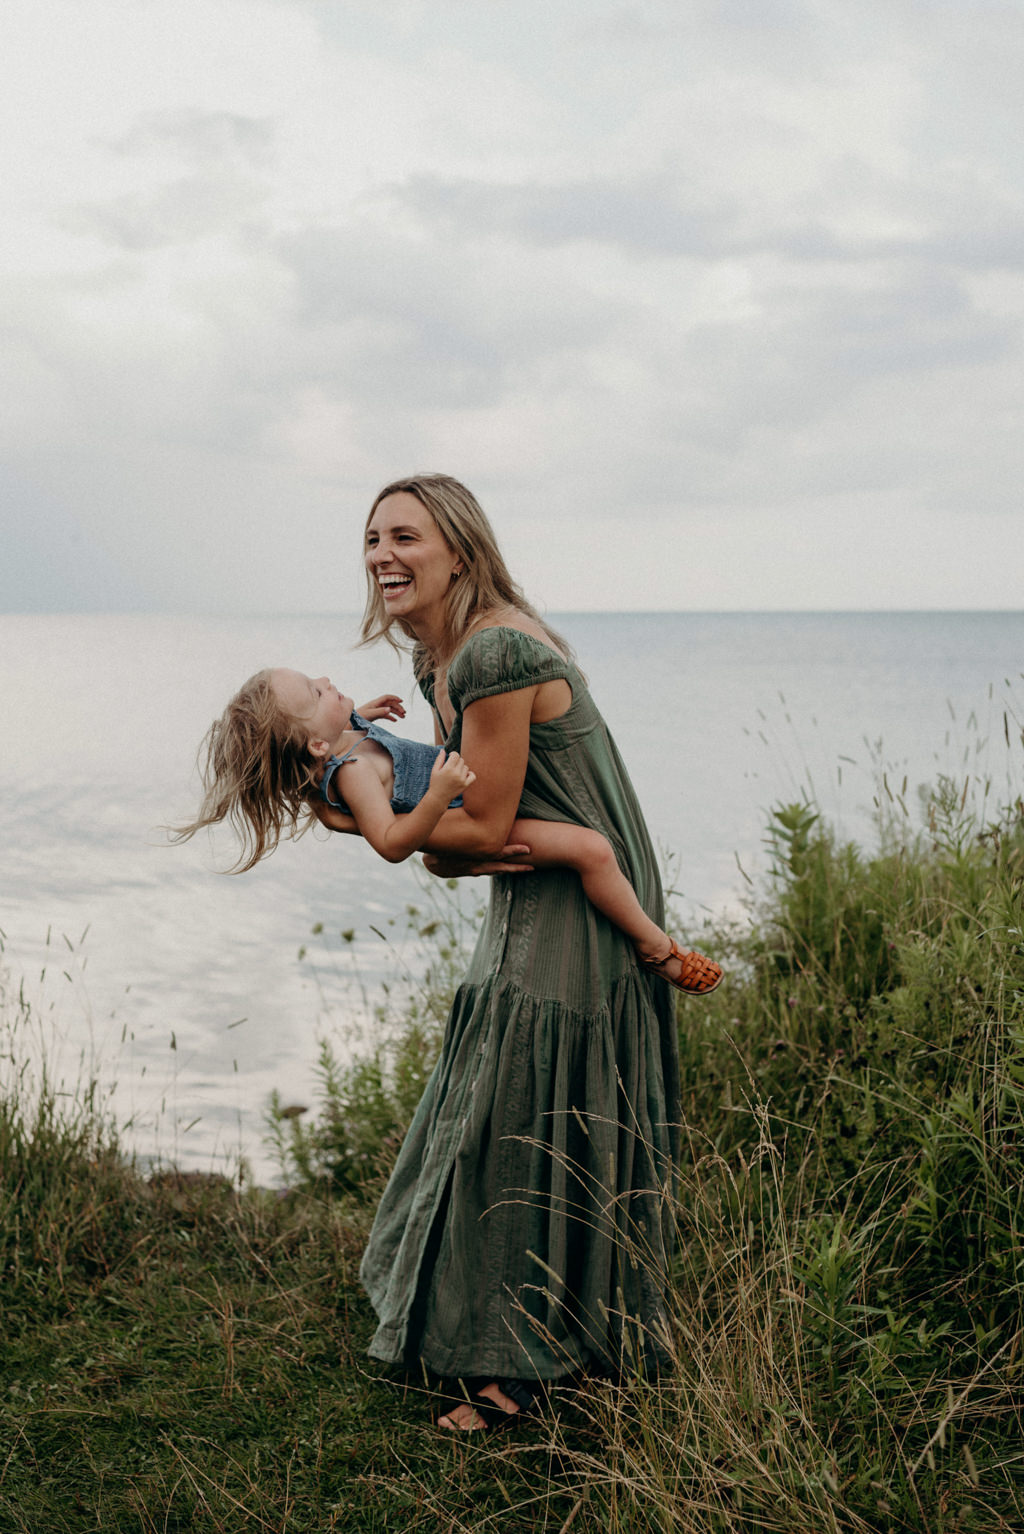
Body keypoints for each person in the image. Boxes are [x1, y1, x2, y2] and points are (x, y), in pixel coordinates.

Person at [334, 473, 717, 1433]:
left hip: (583, 891)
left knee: (535, 1099)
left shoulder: (494, 651)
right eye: (373, 537)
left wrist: (403, 834)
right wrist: (434, 841)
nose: (383, 553)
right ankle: (529, 1332)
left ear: (458, 549)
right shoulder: (442, 660)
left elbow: (485, 820)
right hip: (539, 879)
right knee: (510, 1087)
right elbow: (464, 830)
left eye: (405, 536)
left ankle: (527, 1372)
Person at [177, 667, 722, 998]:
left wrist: (357, 712)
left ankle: (454, 860)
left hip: (465, 782)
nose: (324, 682)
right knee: (592, 851)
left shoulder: (338, 738)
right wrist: (439, 799)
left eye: (314, 679)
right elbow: (390, 843)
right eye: (314, 695)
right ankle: (657, 949)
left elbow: (334, 761)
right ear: (317, 746)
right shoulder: (355, 773)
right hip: (466, 807)